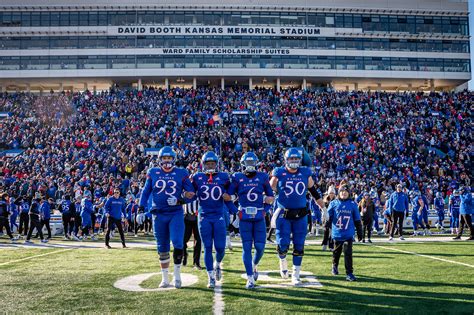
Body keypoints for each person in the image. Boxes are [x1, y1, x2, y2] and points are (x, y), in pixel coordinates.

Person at [139, 146, 195, 289]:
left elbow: (191, 193)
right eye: (164, 158)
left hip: (175, 212)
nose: (167, 161)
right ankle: (165, 278)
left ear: (174, 159)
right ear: (160, 159)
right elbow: (146, 192)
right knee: (162, 246)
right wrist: (140, 208)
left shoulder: (181, 173)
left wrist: (179, 200)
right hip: (158, 213)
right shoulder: (153, 172)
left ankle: (177, 275)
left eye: (169, 158)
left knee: (177, 242)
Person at [269, 148, 324, 286]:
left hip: (300, 214)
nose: (294, 161)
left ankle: (296, 274)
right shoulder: (279, 172)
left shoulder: (305, 173)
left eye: (296, 159)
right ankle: (282, 261)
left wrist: (323, 208)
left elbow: (314, 192)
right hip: (283, 214)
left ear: (299, 160)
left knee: (299, 245)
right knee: (283, 245)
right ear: (286, 160)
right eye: (291, 159)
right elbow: (269, 190)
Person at [227, 152, 274, 289]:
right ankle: (250, 278)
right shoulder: (237, 177)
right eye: (247, 163)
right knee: (246, 247)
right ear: (242, 164)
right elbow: (228, 198)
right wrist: (236, 212)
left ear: (256, 163)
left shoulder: (263, 177)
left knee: (260, 247)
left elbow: (271, 197)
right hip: (245, 218)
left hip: (259, 217)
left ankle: (254, 266)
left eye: (252, 163)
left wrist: (265, 209)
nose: (250, 166)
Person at [191, 151, 234, 289]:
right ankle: (210, 277)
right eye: (208, 163)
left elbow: (230, 194)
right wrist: (184, 196)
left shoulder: (224, 177)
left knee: (221, 247)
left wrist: (234, 208)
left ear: (217, 164)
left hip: (219, 214)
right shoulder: (197, 177)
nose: (210, 165)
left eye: (212, 163)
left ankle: (217, 264)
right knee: (207, 247)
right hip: (204, 216)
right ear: (203, 164)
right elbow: (190, 194)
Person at [327, 184, 363, 281]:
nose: (344, 193)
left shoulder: (352, 204)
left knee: (348, 254)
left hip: (348, 234)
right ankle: (334, 266)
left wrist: (360, 233)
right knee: (336, 252)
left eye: (346, 192)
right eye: (342, 191)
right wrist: (327, 229)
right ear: (339, 192)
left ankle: (349, 273)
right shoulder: (333, 203)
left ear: (349, 193)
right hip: (337, 233)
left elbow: (357, 220)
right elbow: (328, 218)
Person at [321, 185, 336, 251]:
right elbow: (322, 209)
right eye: (330, 193)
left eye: (332, 193)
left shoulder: (336, 201)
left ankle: (331, 246)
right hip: (326, 218)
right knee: (326, 232)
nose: (331, 194)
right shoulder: (325, 201)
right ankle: (324, 245)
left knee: (332, 233)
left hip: (333, 218)